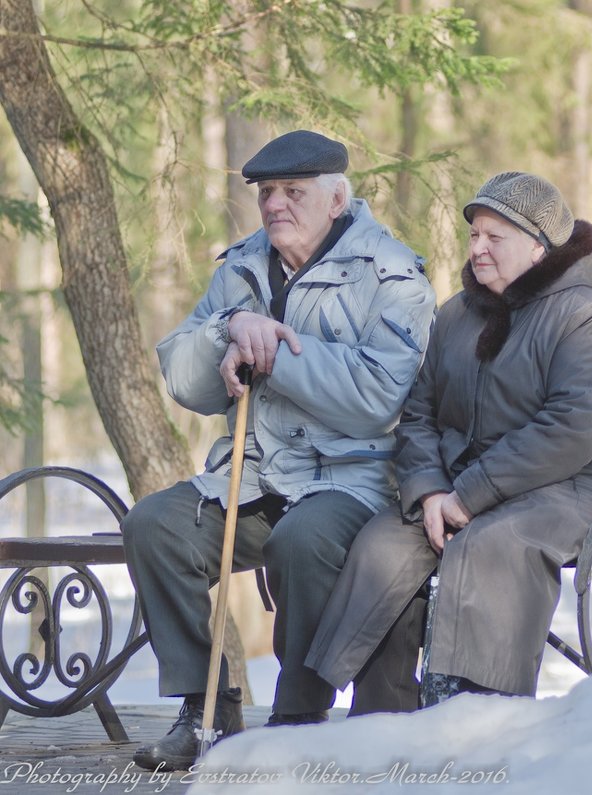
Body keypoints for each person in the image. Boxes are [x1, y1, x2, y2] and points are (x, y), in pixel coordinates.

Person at [121, 130, 436, 771]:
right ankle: (204, 708)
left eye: (294, 192)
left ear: (338, 199)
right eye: (267, 193)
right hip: (256, 473)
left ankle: (299, 717)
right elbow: (184, 378)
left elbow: (379, 397)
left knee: (303, 540)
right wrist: (226, 330)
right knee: (154, 526)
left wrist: (272, 350)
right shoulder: (240, 266)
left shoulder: (393, 274)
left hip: (354, 481)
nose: (276, 206)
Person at [306, 171, 592, 713]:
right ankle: (380, 719)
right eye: (473, 236)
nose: (478, 248)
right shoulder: (456, 316)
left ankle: (475, 712)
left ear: (538, 246)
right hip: (468, 485)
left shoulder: (582, 314)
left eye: (494, 237)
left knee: (495, 544)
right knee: (384, 543)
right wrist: (431, 492)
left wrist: (470, 495)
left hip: (584, 481)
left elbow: (578, 426)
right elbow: (418, 416)